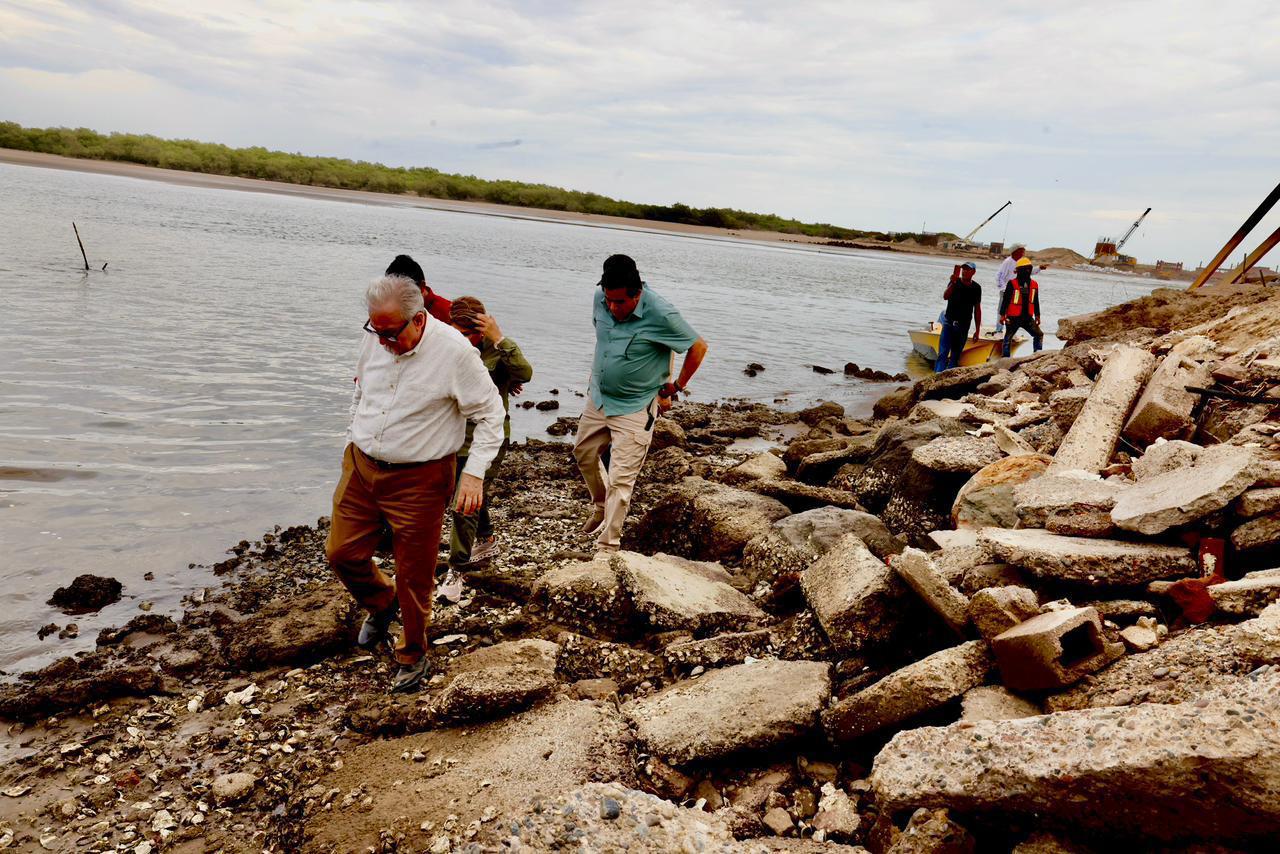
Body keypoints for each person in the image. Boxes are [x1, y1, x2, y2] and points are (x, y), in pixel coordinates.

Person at [325, 274, 505, 693]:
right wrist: (354, 434)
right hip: (361, 463)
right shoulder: (376, 334)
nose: (382, 340)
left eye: (390, 333)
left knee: (414, 572)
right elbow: (360, 390)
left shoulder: (456, 353)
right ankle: (380, 602)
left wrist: (473, 473)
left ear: (419, 319)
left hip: (420, 478)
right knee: (342, 552)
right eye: (376, 330)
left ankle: (412, 653)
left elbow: (491, 414)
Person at [573, 254, 708, 553]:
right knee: (583, 454)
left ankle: (607, 547)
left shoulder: (660, 312)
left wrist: (675, 387)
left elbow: (697, 347)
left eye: (620, 302)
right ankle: (600, 504)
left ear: (637, 294)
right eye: (608, 300)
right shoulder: (601, 297)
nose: (612, 307)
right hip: (599, 398)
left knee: (621, 481)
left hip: (635, 407)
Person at [445, 296, 533, 569]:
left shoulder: (497, 350)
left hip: (490, 436)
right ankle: (487, 537)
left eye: (472, 333)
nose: (466, 339)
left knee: (466, 501)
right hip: (452, 436)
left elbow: (525, 372)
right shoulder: (445, 346)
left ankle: (457, 566)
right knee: (465, 492)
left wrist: (499, 339)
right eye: (461, 333)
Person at [935, 261, 982, 372]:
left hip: (963, 326)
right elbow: (945, 296)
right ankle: (935, 377)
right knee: (943, 353)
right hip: (949, 323)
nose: (964, 271)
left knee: (955, 356)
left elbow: (977, 310)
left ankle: (948, 381)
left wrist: (977, 330)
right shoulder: (954, 282)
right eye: (963, 269)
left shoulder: (976, 288)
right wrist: (953, 282)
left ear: (973, 272)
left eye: (967, 269)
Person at [385, 254, 453, 324]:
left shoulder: (450, 314)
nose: (397, 297)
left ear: (421, 286)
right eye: (391, 291)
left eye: (405, 293)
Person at [999, 258, 1044, 357]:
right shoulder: (1012, 283)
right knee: (1008, 339)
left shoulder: (1034, 284)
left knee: (1039, 334)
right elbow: (1005, 300)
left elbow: (1036, 301)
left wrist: (1038, 315)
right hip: (1013, 317)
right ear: (1019, 270)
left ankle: (1037, 356)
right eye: (1025, 269)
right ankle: (1005, 359)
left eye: (1028, 269)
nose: (1027, 271)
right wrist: (1002, 315)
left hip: (1027, 317)